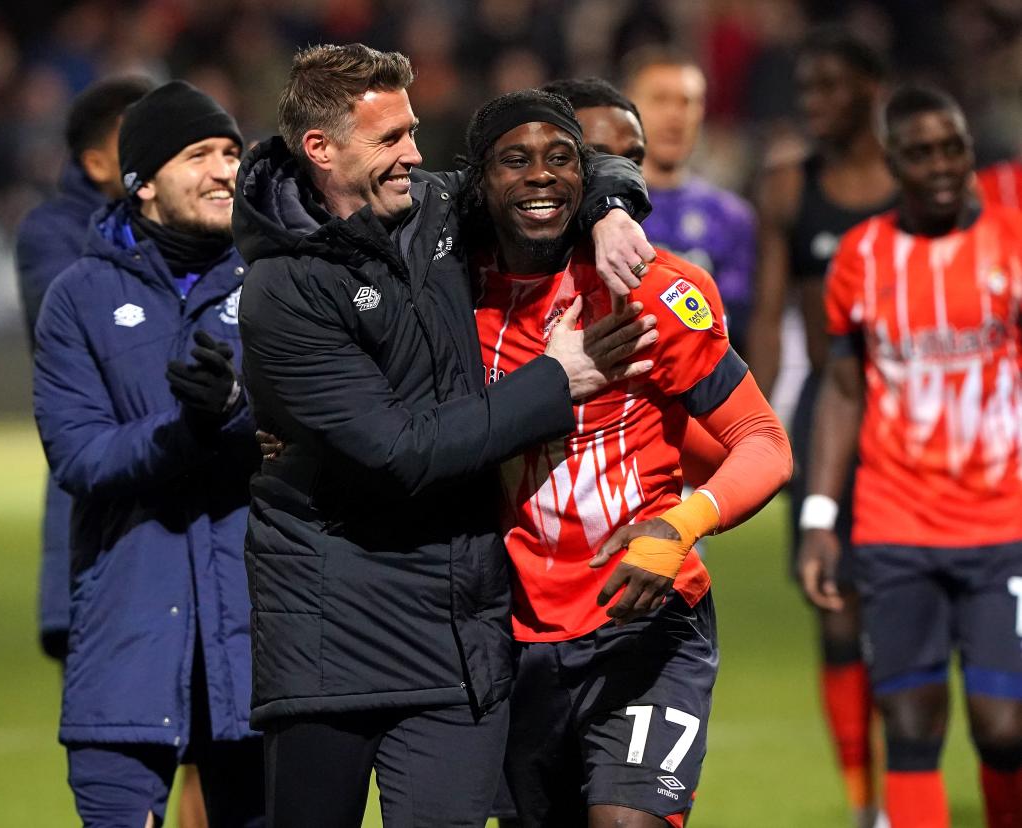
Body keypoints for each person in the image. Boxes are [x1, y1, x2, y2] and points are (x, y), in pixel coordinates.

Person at [234, 43, 657, 828]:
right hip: (333, 630)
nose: (415, 154)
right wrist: (553, 381)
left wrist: (609, 211)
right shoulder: (280, 289)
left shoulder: (432, 209)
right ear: (322, 150)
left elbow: (553, 172)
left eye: (413, 130)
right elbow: (400, 450)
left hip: (458, 630)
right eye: (391, 138)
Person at [464, 89, 790, 828]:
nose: (547, 179)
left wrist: (678, 527)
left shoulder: (657, 290)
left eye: (574, 162)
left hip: (644, 625)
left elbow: (764, 442)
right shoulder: (453, 298)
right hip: (508, 635)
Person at [32, 81, 263, 828]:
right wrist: (186, 432)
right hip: (126, 631)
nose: (225, 170)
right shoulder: (78, 295)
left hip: (264, 634)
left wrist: (231, 413)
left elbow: (314, 430)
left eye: (232, 153)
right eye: (199, 154)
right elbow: (81, 456)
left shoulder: (276, 279)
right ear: (142, 182)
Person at [799, 85, 1022, 828]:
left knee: (1005, 729)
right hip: (896, 526)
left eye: (952, 147)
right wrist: (823, 517)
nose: (940, 166)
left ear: (969, 150)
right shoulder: (862, 257)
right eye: (921, 152)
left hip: (1003, 526)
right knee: (912, 725)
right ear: (893, 162)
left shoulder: (1012, 241)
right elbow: (841, 387)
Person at [745, 29, 895, 826]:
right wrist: (754, 424)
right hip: (827, 417)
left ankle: (908, 778)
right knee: (836, 612)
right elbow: (768, 323)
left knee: (906, 615)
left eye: (832, 87)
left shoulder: (921, 182)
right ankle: (867, 805)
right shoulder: (787, 188)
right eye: (807, 89)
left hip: (916, 425)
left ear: (875, 88)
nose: (815, 104)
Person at [15, 75, 153, 662]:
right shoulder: (52, 233)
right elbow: (81, 332)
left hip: (187, 469)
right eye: (142, 140)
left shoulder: (205, 225)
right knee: (105, 678)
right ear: (98, 162)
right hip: (100, 470)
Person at [619, 51, 757, 354]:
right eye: (660, 99)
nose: (675, 115)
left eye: (687, 102)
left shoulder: (732, 216)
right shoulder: (603, 209)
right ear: (627, 109)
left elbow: (736, 324)